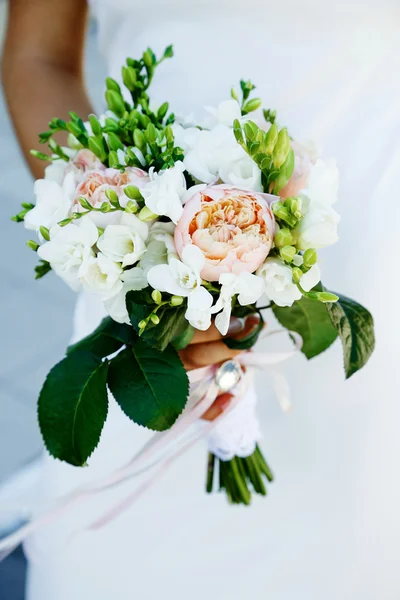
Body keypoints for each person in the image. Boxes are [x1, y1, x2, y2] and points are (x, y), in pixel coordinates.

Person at [2, 1, 399, 599]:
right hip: (151, 279)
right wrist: (119, 240)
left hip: (365, 289)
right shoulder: (144, 265)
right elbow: (40, 57)